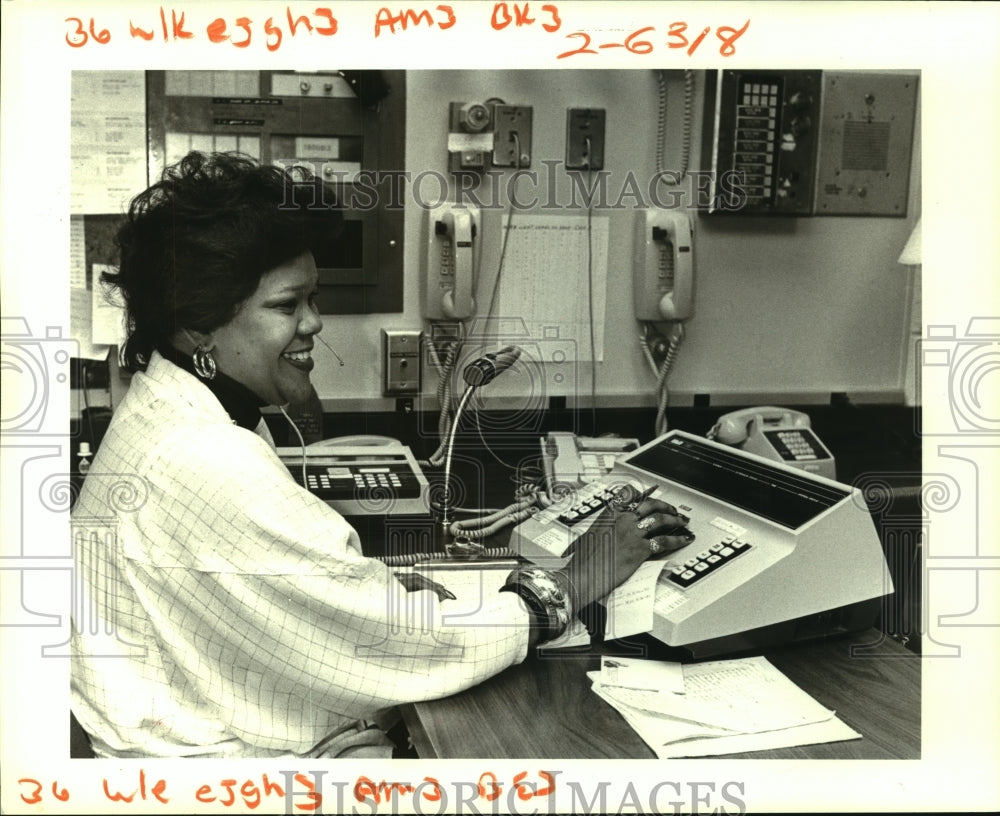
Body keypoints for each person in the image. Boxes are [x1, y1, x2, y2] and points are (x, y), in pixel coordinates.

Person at [70, 151, 694, 759]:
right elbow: (404, 647)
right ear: (199, 327)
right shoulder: (204, 457)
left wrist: (369, 593)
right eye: (288, 306)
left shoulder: (169, 410)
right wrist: (570, 582)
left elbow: (271, 595)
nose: (314, 324)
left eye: (313, 299)